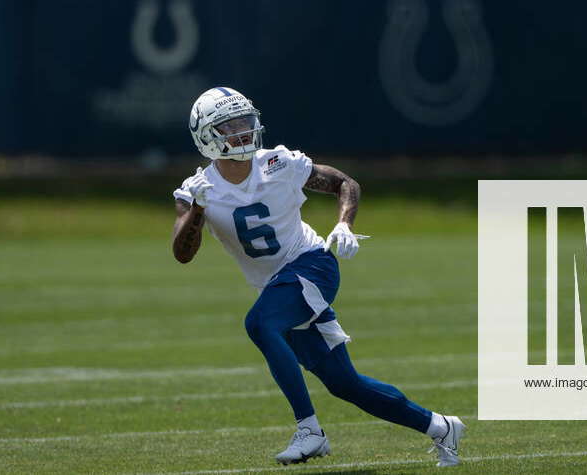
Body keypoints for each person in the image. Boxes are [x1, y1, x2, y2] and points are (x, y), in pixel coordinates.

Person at [170, 86, 465, 466]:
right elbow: (182, 254)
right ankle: (441, 427)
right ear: (207, 134)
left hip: (312, 264)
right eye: (230, 126)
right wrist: (196, 210)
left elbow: (345, 182)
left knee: (259, 324)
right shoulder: (196, 190)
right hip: (278, 287)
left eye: (246, 122)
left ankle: (309, 430)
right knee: (345, 384)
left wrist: (344, 224)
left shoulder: (278, 163)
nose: (243, 132)